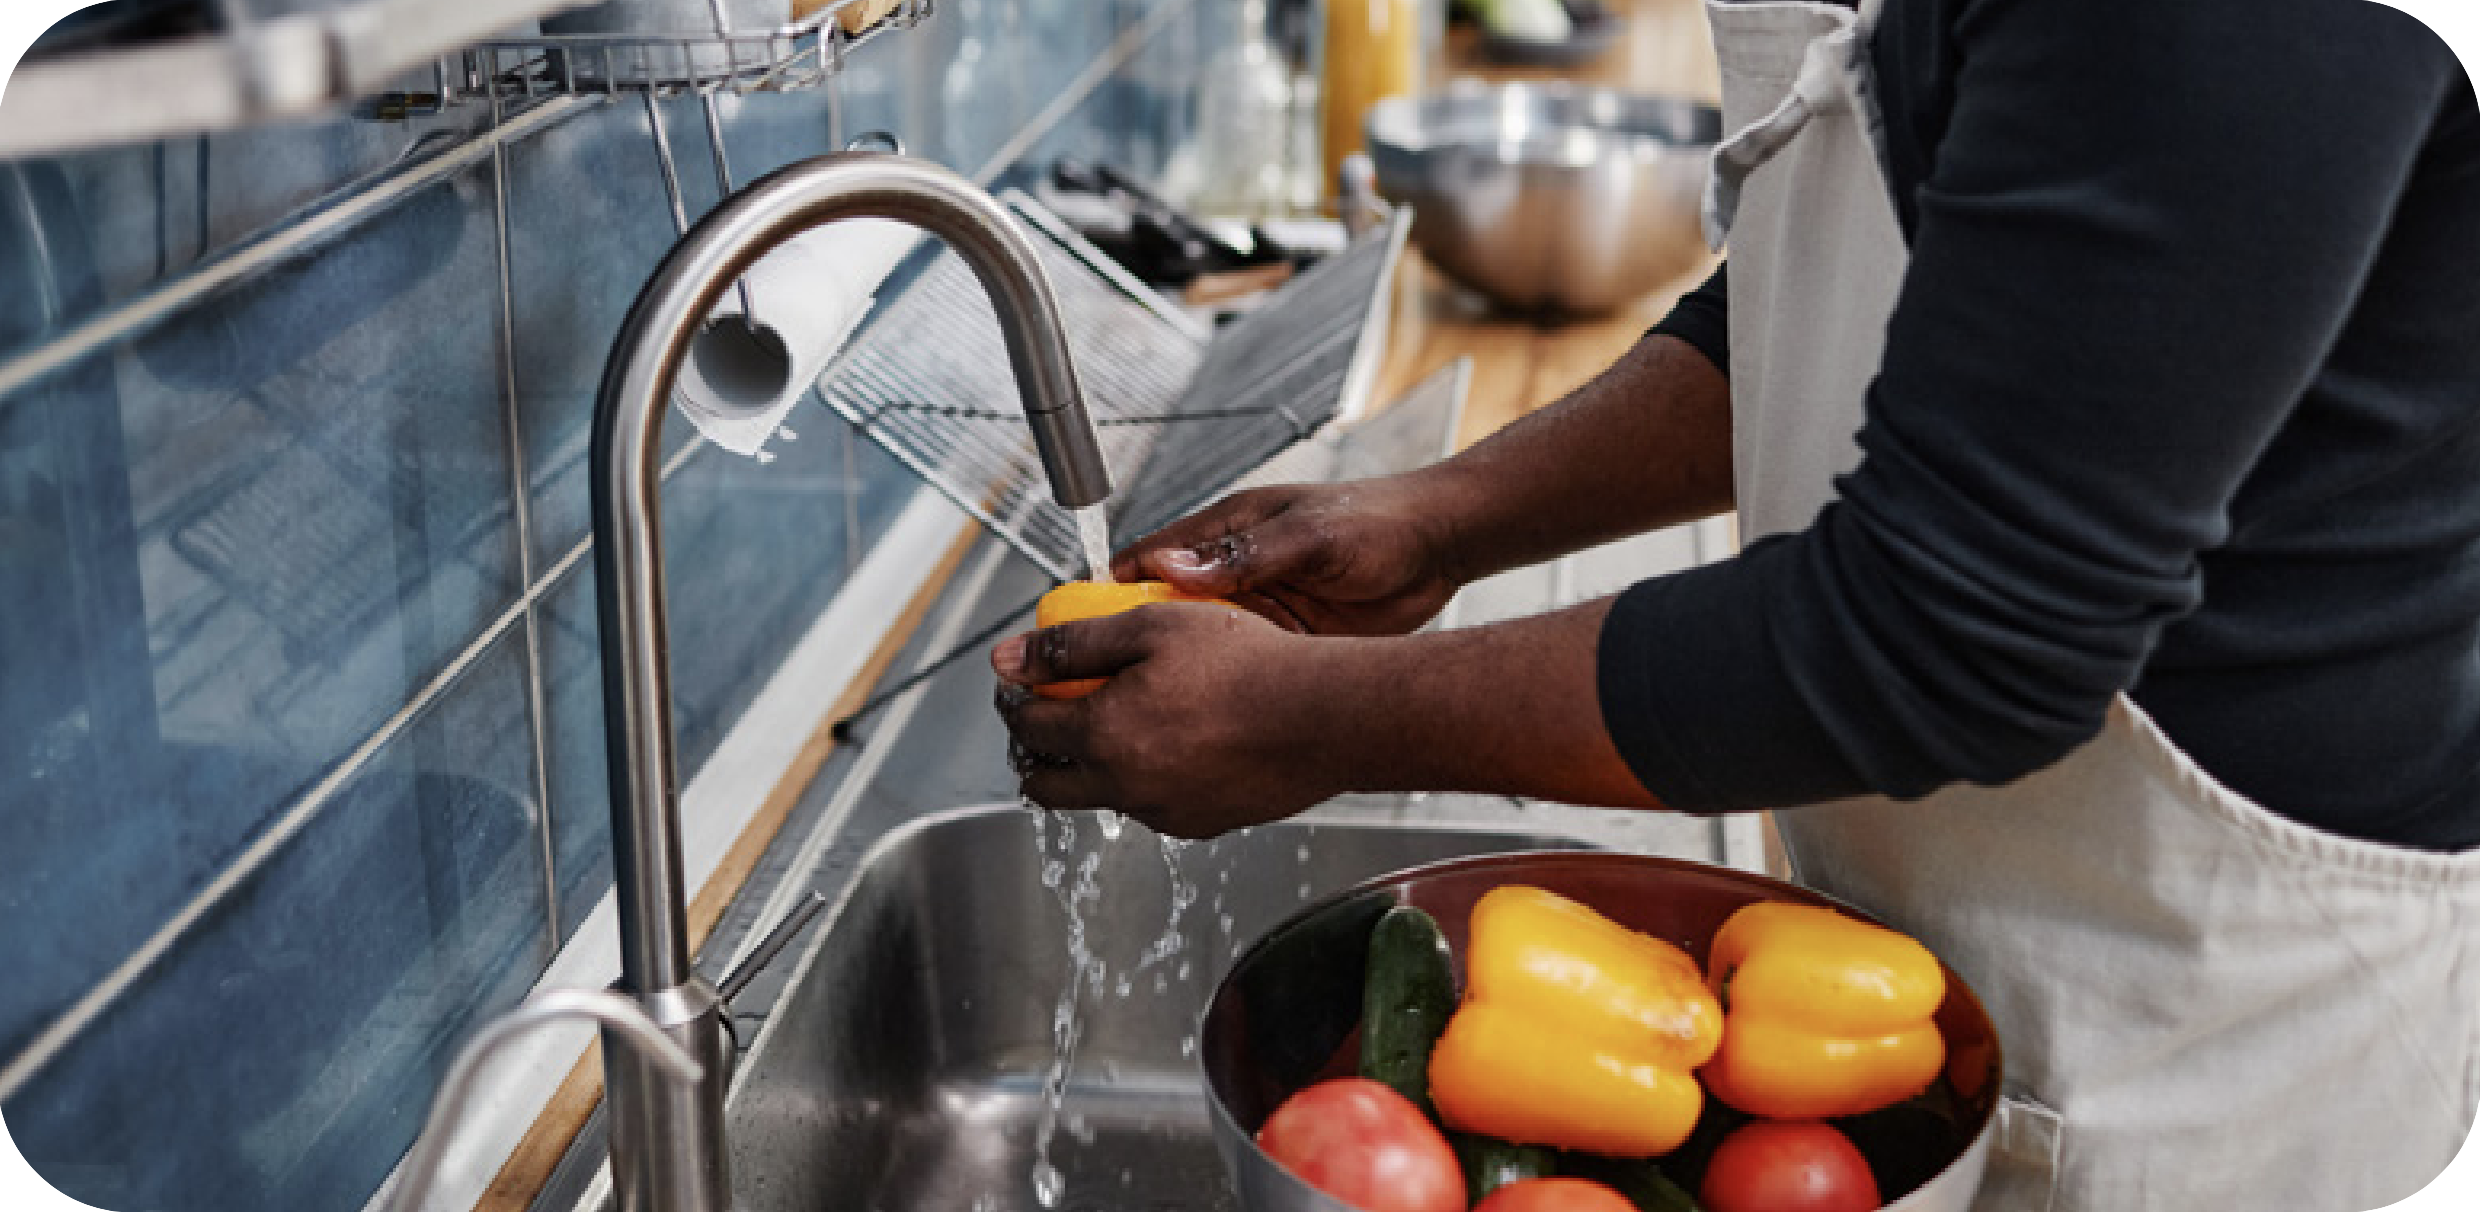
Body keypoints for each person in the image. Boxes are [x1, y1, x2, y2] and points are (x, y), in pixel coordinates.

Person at [994, 0, 2480, 1207]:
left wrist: (1304, 719)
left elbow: (1949, 638)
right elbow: (1906, 285)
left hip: (2193, 1056)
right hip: (1994, 931)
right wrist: (1439, 519)